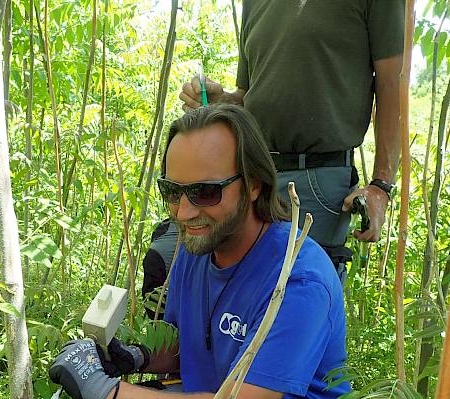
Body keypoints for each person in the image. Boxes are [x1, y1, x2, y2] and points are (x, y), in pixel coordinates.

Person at [50, 105, 350, 399]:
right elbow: (192, 347)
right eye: (171, 191)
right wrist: (136, 357)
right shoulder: (199, 247)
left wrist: (105, 391)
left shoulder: (298, 281)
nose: (183, 213)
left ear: (254, 185)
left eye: (205, 192)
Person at [180, 1, 404, 277]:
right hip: (252, 177)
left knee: (299, 300)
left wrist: (381, 185)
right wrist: (223, 102)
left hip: (318, 179)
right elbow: (247, 95)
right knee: (235, 296)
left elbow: (394, 83)